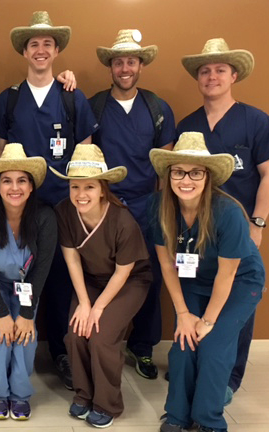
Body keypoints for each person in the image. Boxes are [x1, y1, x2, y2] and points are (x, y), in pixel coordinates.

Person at [0, 10, 97, 389]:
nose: (40, 50)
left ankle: (62, 353)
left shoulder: (72, 98)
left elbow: (85, 158)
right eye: (33, 44)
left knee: (60, 280)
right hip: (19, 206)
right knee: (17, 274)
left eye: (47, 44)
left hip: (62, 205)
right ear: (24, 51)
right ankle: (12, 347)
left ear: (56, 51)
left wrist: (84, 203)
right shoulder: (8, 100)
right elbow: (0, 153)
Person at [177, 38, 269, 404]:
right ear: (198, 78)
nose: (212, 77)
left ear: (233, 74)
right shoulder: (187, 126)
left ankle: (230, 379)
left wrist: (258, 223)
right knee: (194, 298)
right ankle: (193, 367)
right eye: (205, 71)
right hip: (195, 235)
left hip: (238, 231)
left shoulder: (256, 121)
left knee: (237, 302)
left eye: (220, 69)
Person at [151, 132, 265, 432]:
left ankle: (208, 420)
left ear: (208, 176)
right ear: (169, 175)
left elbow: (227, 275)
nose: (185, 179)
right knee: (183, 343)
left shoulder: (228, 213)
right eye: (178, 172)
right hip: (195, 279)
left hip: (240, 281)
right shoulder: (160, 208)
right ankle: (176, 415)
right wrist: (184, 315)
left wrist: (208, 321)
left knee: (212, 345)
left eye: (195, 172)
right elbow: (166, 265)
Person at [91, 29, 176, 380]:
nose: (125, 68)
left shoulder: (157, 108)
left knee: (149, 278)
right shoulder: (95, 106)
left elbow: (166, 163)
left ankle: (141, 347)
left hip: (146, 206)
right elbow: (87, 157)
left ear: (140, 65)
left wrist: (162, 209)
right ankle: (100, 340)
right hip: (106, 206)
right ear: (110, 67)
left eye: (131, 61)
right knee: (102, 273)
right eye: (119, 62)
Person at [51, 144, 150, 428]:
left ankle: (108, 403)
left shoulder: (122, 220)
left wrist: (99, 308)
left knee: (101, 336)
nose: (81, 195)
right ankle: (84, 394)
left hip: (128, 282)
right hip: (91, 281)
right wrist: (84, 303)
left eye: (89, 187)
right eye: (74, 187)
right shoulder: (64, 212)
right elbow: (72, 260)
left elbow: (124, 271)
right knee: (75, 333)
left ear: (103, 189)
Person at [0, 143, 56, 420]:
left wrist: (27, 314)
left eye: (21, 181)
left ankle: (19, 394)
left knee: (26, 338)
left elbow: (41, 269)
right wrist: (1, 312)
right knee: (1, 335)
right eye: (7, 181)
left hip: (27, 287)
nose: (14, 188)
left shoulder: (44, 217)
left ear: (31, 187)